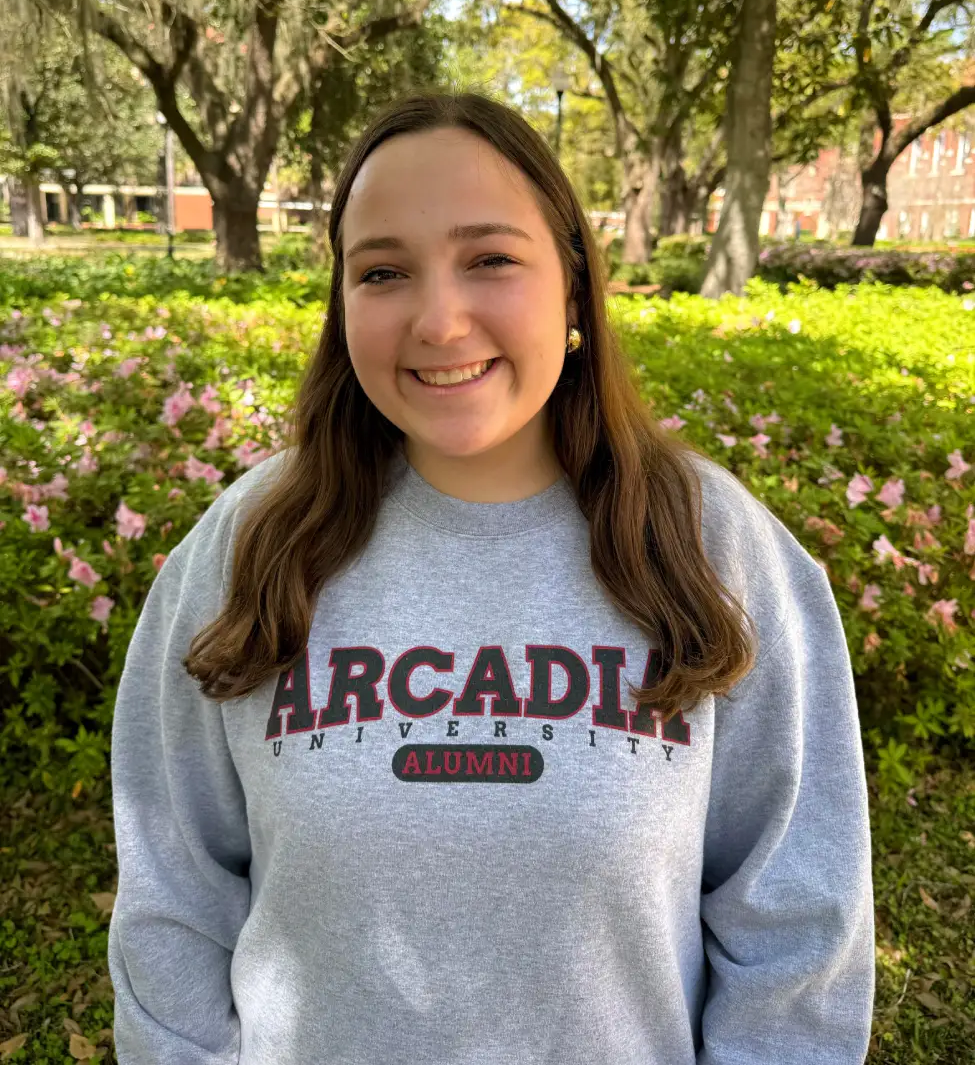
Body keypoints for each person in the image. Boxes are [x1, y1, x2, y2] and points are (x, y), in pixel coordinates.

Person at [108, 92, 874, 1064]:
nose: (438, 318)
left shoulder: (715, 549)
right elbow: (174, 895)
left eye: (490, 259)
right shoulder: (249, 544)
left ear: (575, 285)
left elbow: (798, 935)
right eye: (383, 270)